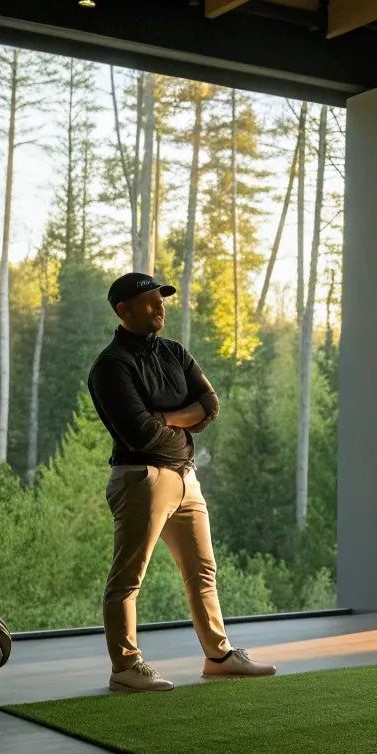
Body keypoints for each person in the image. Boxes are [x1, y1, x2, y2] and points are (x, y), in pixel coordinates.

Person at [86, 272, 276, 692]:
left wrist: (167, 417)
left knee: (203, 570)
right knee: (128, 578)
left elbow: (210, 404)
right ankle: (126, 666)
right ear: (123, 310)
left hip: (186, 477)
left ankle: (219, 657)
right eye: (150, 301)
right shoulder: (111, 366)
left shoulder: (174, 351)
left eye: (162, 300)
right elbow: (140, 433)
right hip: (142, 478)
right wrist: (183, 417)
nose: (160, 307)